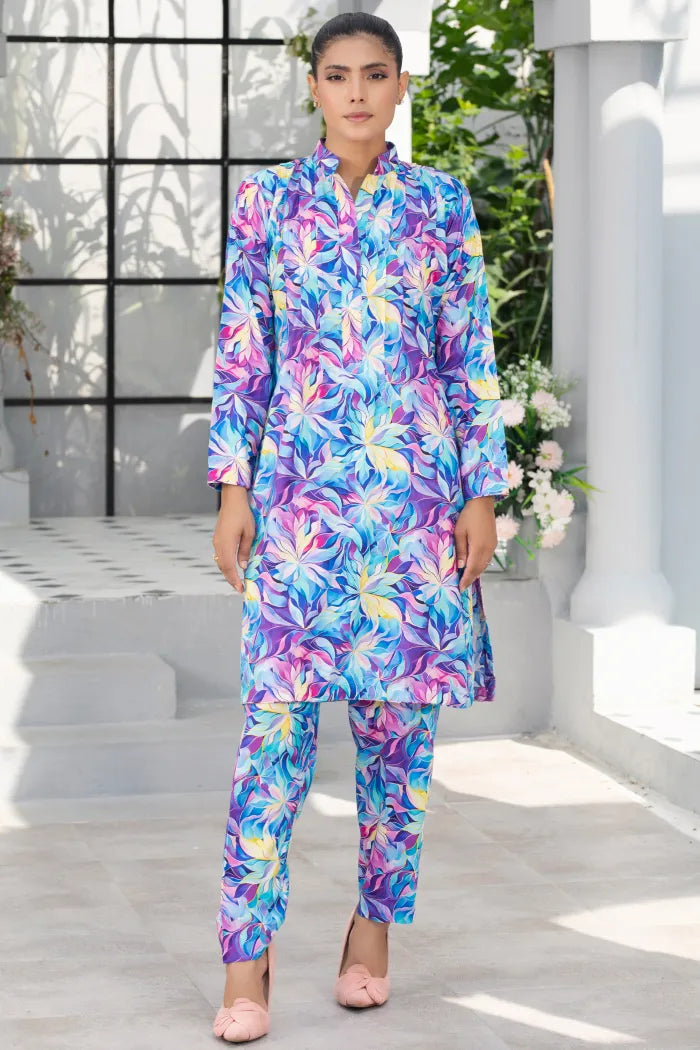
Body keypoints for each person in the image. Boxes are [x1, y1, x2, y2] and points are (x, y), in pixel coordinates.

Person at [206, 10, 509, 1044]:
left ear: (400, 87)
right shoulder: (269, 202)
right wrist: (233, 489)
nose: (356, 94)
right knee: (272, 739)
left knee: (398, 742)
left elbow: (467, 354)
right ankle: (246, 958)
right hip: (299, 508)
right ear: (315, 89)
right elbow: (245, 348)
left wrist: (480, 492)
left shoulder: (439, 204)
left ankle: (372, 932)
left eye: (375, 76)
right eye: (337, 76)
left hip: (414, 507)